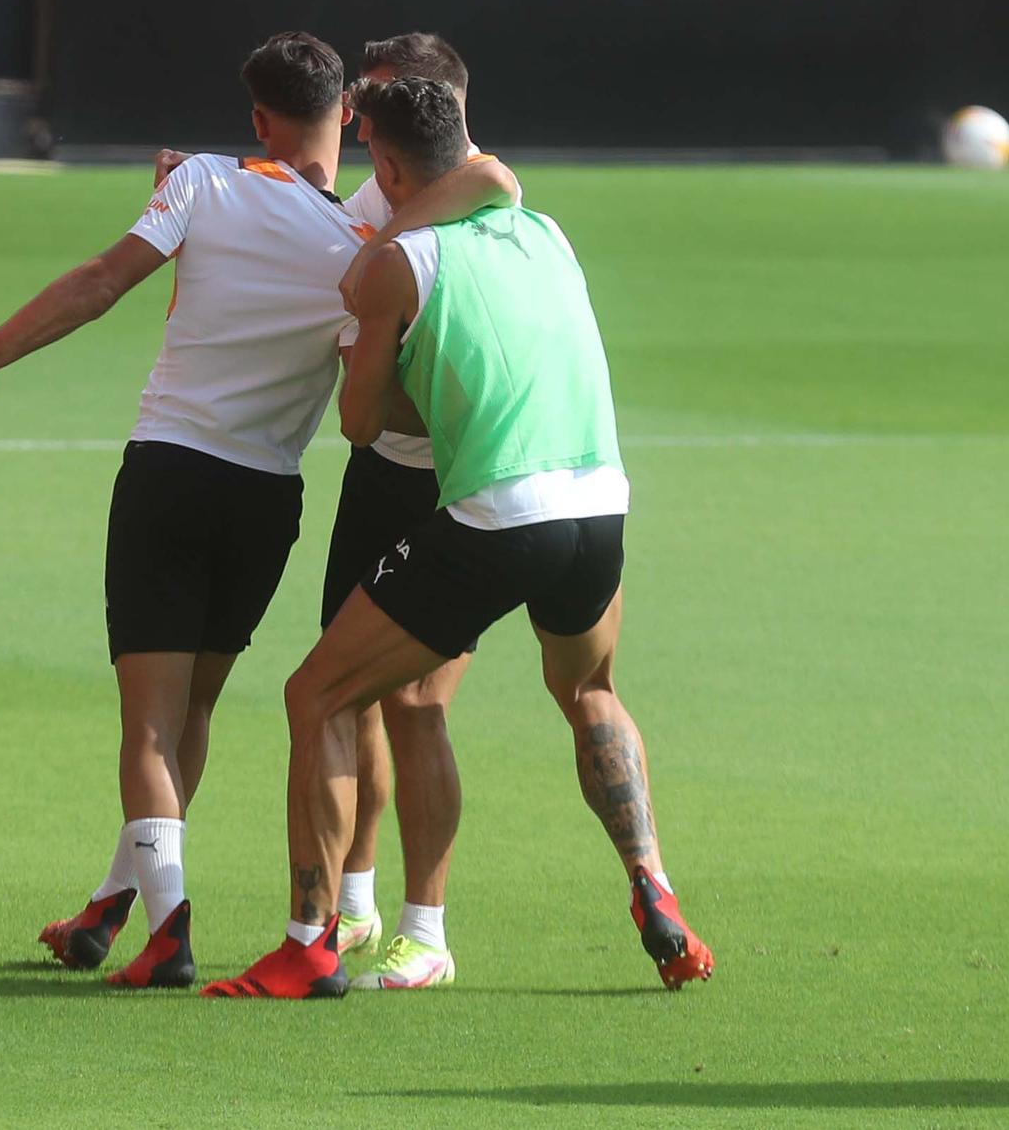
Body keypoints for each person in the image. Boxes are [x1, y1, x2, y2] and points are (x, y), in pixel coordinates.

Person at [0, 33, 515, 989]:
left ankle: (167, 929)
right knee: (195, 707)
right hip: (269, 499)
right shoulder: (366, 251)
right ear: (349, 120)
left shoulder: (206, 183)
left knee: (149, 727)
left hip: (172, 471)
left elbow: (99, 283)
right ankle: (118, 904)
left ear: (257, 118)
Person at [203, 77, 713, 1000]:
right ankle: (654, 885)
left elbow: (361, 428)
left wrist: (368, 339)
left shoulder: (402, 265)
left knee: (316, 694)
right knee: (590, 691)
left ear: (388, 169)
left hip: (499, 515)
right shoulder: (546, 233)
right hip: (598, 502)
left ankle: (310, 943)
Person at [325, 33, 509, 988]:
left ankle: (426, 928)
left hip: (453, 485)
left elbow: (497, 181)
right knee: (345, 686)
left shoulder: (482, 191)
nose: (361, 116)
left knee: (415, 702)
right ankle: (352, 905)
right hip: (379, 479)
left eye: (381, 99)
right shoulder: (372, 194)